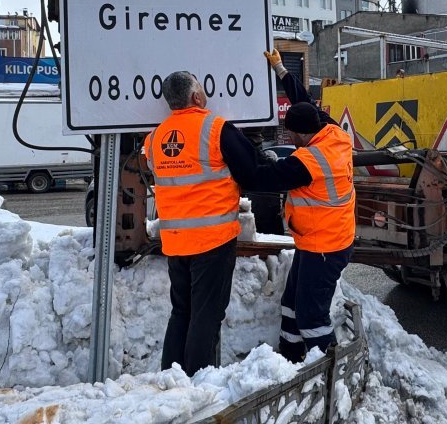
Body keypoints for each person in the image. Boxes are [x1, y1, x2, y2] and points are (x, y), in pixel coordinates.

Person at [237, 49, 355, 362]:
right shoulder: (334, 134)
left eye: (290, 131)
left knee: (311, 317)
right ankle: (290, 360)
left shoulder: (307, 163)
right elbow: (305, 102)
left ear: (299, 133)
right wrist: (280, 69)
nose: (288, 134)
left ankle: (332, 374)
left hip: (325, 247)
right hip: (321, 241)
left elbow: (257, 178)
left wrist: (236, 141)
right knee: (292, 305)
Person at [143, 71, 254, 375]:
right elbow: (250, 169)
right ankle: (196, 384)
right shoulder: (217, 129)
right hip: (212, 240)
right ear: (195, 97)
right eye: (202, 89)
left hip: (176, 241)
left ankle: (171, 378)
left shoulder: (155, 138)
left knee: (182, 312)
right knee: (207, 315)